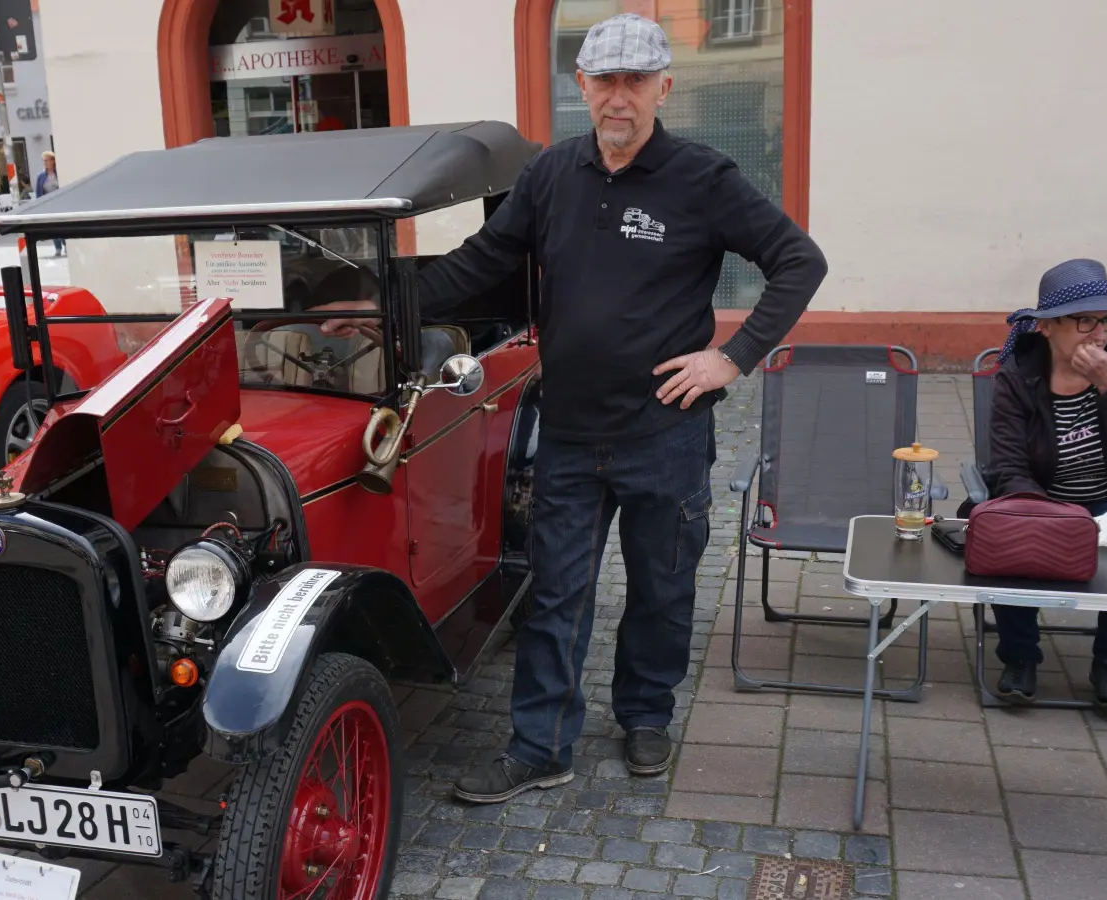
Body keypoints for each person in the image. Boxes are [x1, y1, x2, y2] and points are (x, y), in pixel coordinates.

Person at [320, 13, 826, 800]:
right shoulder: (552, 175)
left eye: (635, 81)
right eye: (603, 81)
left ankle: (646, 716)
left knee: (663, 588)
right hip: (568, 432)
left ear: (664, 86)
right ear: (581, 87)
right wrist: (379, 301)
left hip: (664, 431)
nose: (618, 98)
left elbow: (799, 260)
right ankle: (540, 744)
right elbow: (481, 262)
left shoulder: (703, 177)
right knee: (555, 591)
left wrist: (730, 358)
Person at [986, 259, 1107, 709]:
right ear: (1047, 327)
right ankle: (1020, 657)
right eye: (1084, 320)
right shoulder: (1018, 376)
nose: (1098, 332)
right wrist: (1047, 517)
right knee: (1005, 539)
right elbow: (1006, 465)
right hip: (1041, 501)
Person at [34, 151, 64, 257]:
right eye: (44, 161)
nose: (45, 163)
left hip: (61, 202)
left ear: (53, 161)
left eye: (47, 160)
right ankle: (58, 248)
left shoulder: (60, 173)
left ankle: (66, 245)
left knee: (63, 225)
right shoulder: (41, 176)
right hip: (49, 204)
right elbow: (38, 192)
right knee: (53, 226)